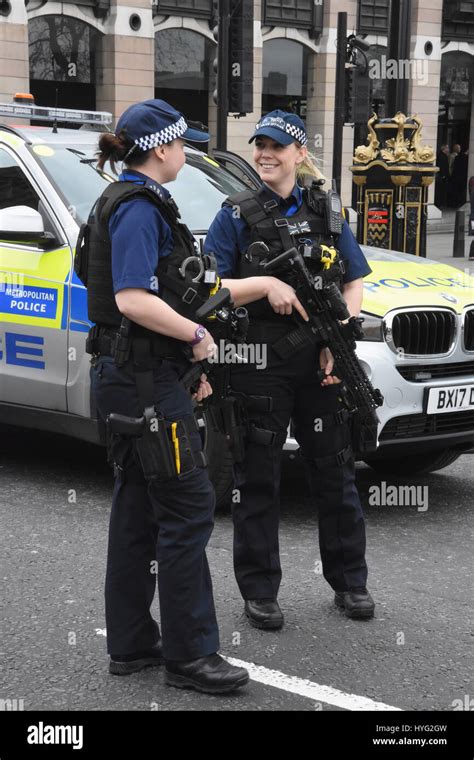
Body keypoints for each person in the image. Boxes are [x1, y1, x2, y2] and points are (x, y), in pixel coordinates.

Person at [82, 99, 249, 694]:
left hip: (135, 377)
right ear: (159, 149)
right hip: (144, 384)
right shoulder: (138, 208)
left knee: (137, 506)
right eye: (183, 145)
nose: (188, 153)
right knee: (186, 508)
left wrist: (182, 363)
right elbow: (133, 298)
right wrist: (198, 337)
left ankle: (131, 643)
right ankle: (191, 656)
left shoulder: (121, 200)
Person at [204, 110, 375, 629]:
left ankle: (351, 583)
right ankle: (260, 591)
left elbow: (354, 282)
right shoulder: (233, 215)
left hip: (321, 360)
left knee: (336, 472)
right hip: (258, 363)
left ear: (300, 154)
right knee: (258, 478)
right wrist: (266, 287)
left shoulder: (327, 209)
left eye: (277, 146)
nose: (265, 154)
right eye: (259, 145)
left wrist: (337, 337)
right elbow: (211, 290)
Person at [435, 144, 449, 208]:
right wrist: (443, 175)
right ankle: (439, 204)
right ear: (444, 149)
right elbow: (442, 166)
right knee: (440, 191)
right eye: (447, 148)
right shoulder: (442, 156)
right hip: (441, 176)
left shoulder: (442, 155)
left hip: (441, 176)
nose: (448, 149)